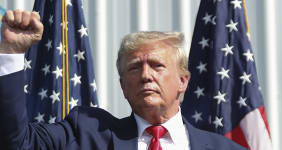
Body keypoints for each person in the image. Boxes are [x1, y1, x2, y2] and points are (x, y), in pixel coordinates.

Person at [0, 10, 246, 150]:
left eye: (157, 66)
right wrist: (11, 52)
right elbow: (18, 143)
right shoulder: (85, 133)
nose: (146, 75)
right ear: (123, 86)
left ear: (183, 81)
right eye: (135, 68)